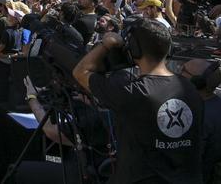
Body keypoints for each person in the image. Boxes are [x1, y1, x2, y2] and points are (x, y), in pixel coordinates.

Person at [74, 19, 205, 183]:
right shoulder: (189, 88)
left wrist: (106, 44)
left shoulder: (132, 92)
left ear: (134, 49)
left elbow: (80, 72)